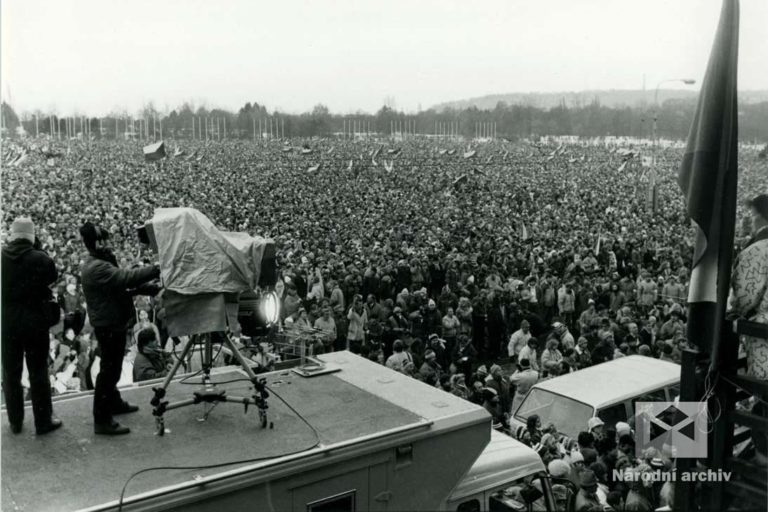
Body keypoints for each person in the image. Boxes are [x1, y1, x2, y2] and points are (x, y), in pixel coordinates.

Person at [80, 222, 161, 435]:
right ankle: (102, 420)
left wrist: (151, 289)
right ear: (97, 242)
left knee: (111, 368)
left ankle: (113, 403)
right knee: (110, 370)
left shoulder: (98, 262)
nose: (109, 244)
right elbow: (125, 278)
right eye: (105, 240)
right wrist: (156, 269)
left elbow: (122, 287)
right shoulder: (97, 267)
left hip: (111, 321)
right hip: (108, 324)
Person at [1, 217, 62, 435]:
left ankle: (15, 422)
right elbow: (53, 276)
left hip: (6, 324)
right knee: (38, 371)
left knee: (11, 373)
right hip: (35, 323)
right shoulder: (39, 258)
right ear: (31, 236)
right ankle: (43, 421)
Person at [729, 193, 768, 464]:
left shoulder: (758, 249)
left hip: (764, 342)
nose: (750, 220)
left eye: (753, 214)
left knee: (763, 401)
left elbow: (743, 299)